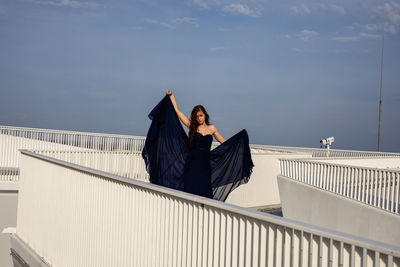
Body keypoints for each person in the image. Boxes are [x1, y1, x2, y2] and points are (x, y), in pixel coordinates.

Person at [142, 90, 254, 201]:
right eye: (197, 116)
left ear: (205, 115)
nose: (199, 118)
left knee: (205, 193)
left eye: (201, 115)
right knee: (191, 192)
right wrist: (171, 96)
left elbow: (224, 143)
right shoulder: (192, 126)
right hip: (192, 163)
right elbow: (178, 112)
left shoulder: (212, 128)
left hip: (205, 165)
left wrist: (239, 139)